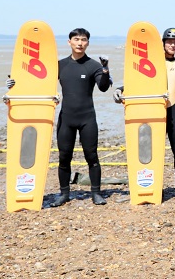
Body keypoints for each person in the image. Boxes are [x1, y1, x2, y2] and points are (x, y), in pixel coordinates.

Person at [7, 28, 113, 206]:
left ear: (88, 43)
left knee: (92, 155)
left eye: (84, 40)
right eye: (76, 39)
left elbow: (103, 87)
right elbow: (36, 83)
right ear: (69, 42)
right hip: (67, 118)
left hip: (87, 117)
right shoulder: (59, 65)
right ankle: (64, 194)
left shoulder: (94, 65)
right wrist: (13, 83)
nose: (80, 43)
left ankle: (96, 193)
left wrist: (105, 70)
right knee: (64, 157)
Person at [114, 27, 175, 199]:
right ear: (163, 43)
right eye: (169, 42)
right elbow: (139, 81)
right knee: (147, 150)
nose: (172, 45)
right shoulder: (151, 62)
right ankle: (149, 185)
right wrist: (121, 90)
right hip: (154, 113)